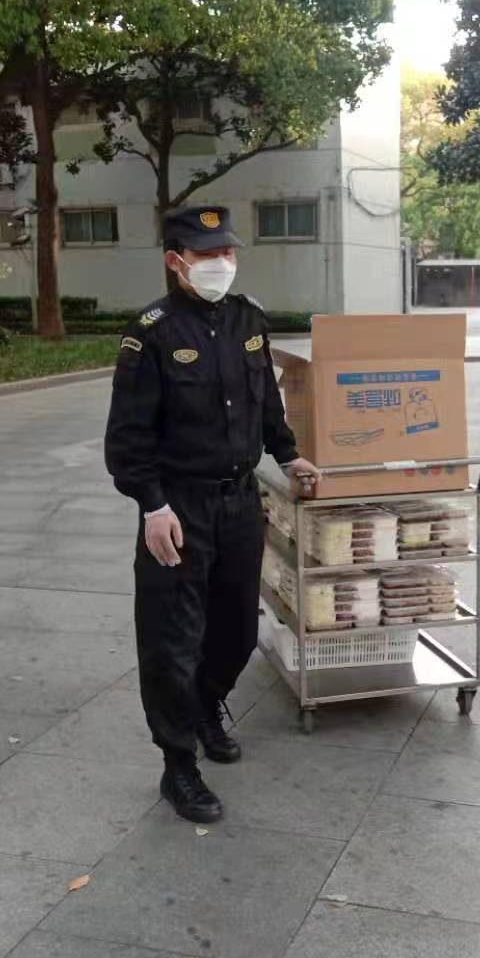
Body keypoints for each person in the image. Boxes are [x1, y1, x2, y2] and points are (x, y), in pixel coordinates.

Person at [105, 205, 320, 824]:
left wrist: (289, 455)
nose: (221, 263)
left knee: (237, 632)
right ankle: (179, 766)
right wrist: (152, 506)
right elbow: (127, 437)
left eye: (227, 251)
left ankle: (205, 706)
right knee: (173, 642)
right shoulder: (150, 333)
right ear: (176, 262)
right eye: (206, 255)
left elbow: (266, 401)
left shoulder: (249, 319)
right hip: (178, 508)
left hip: (239, 502)